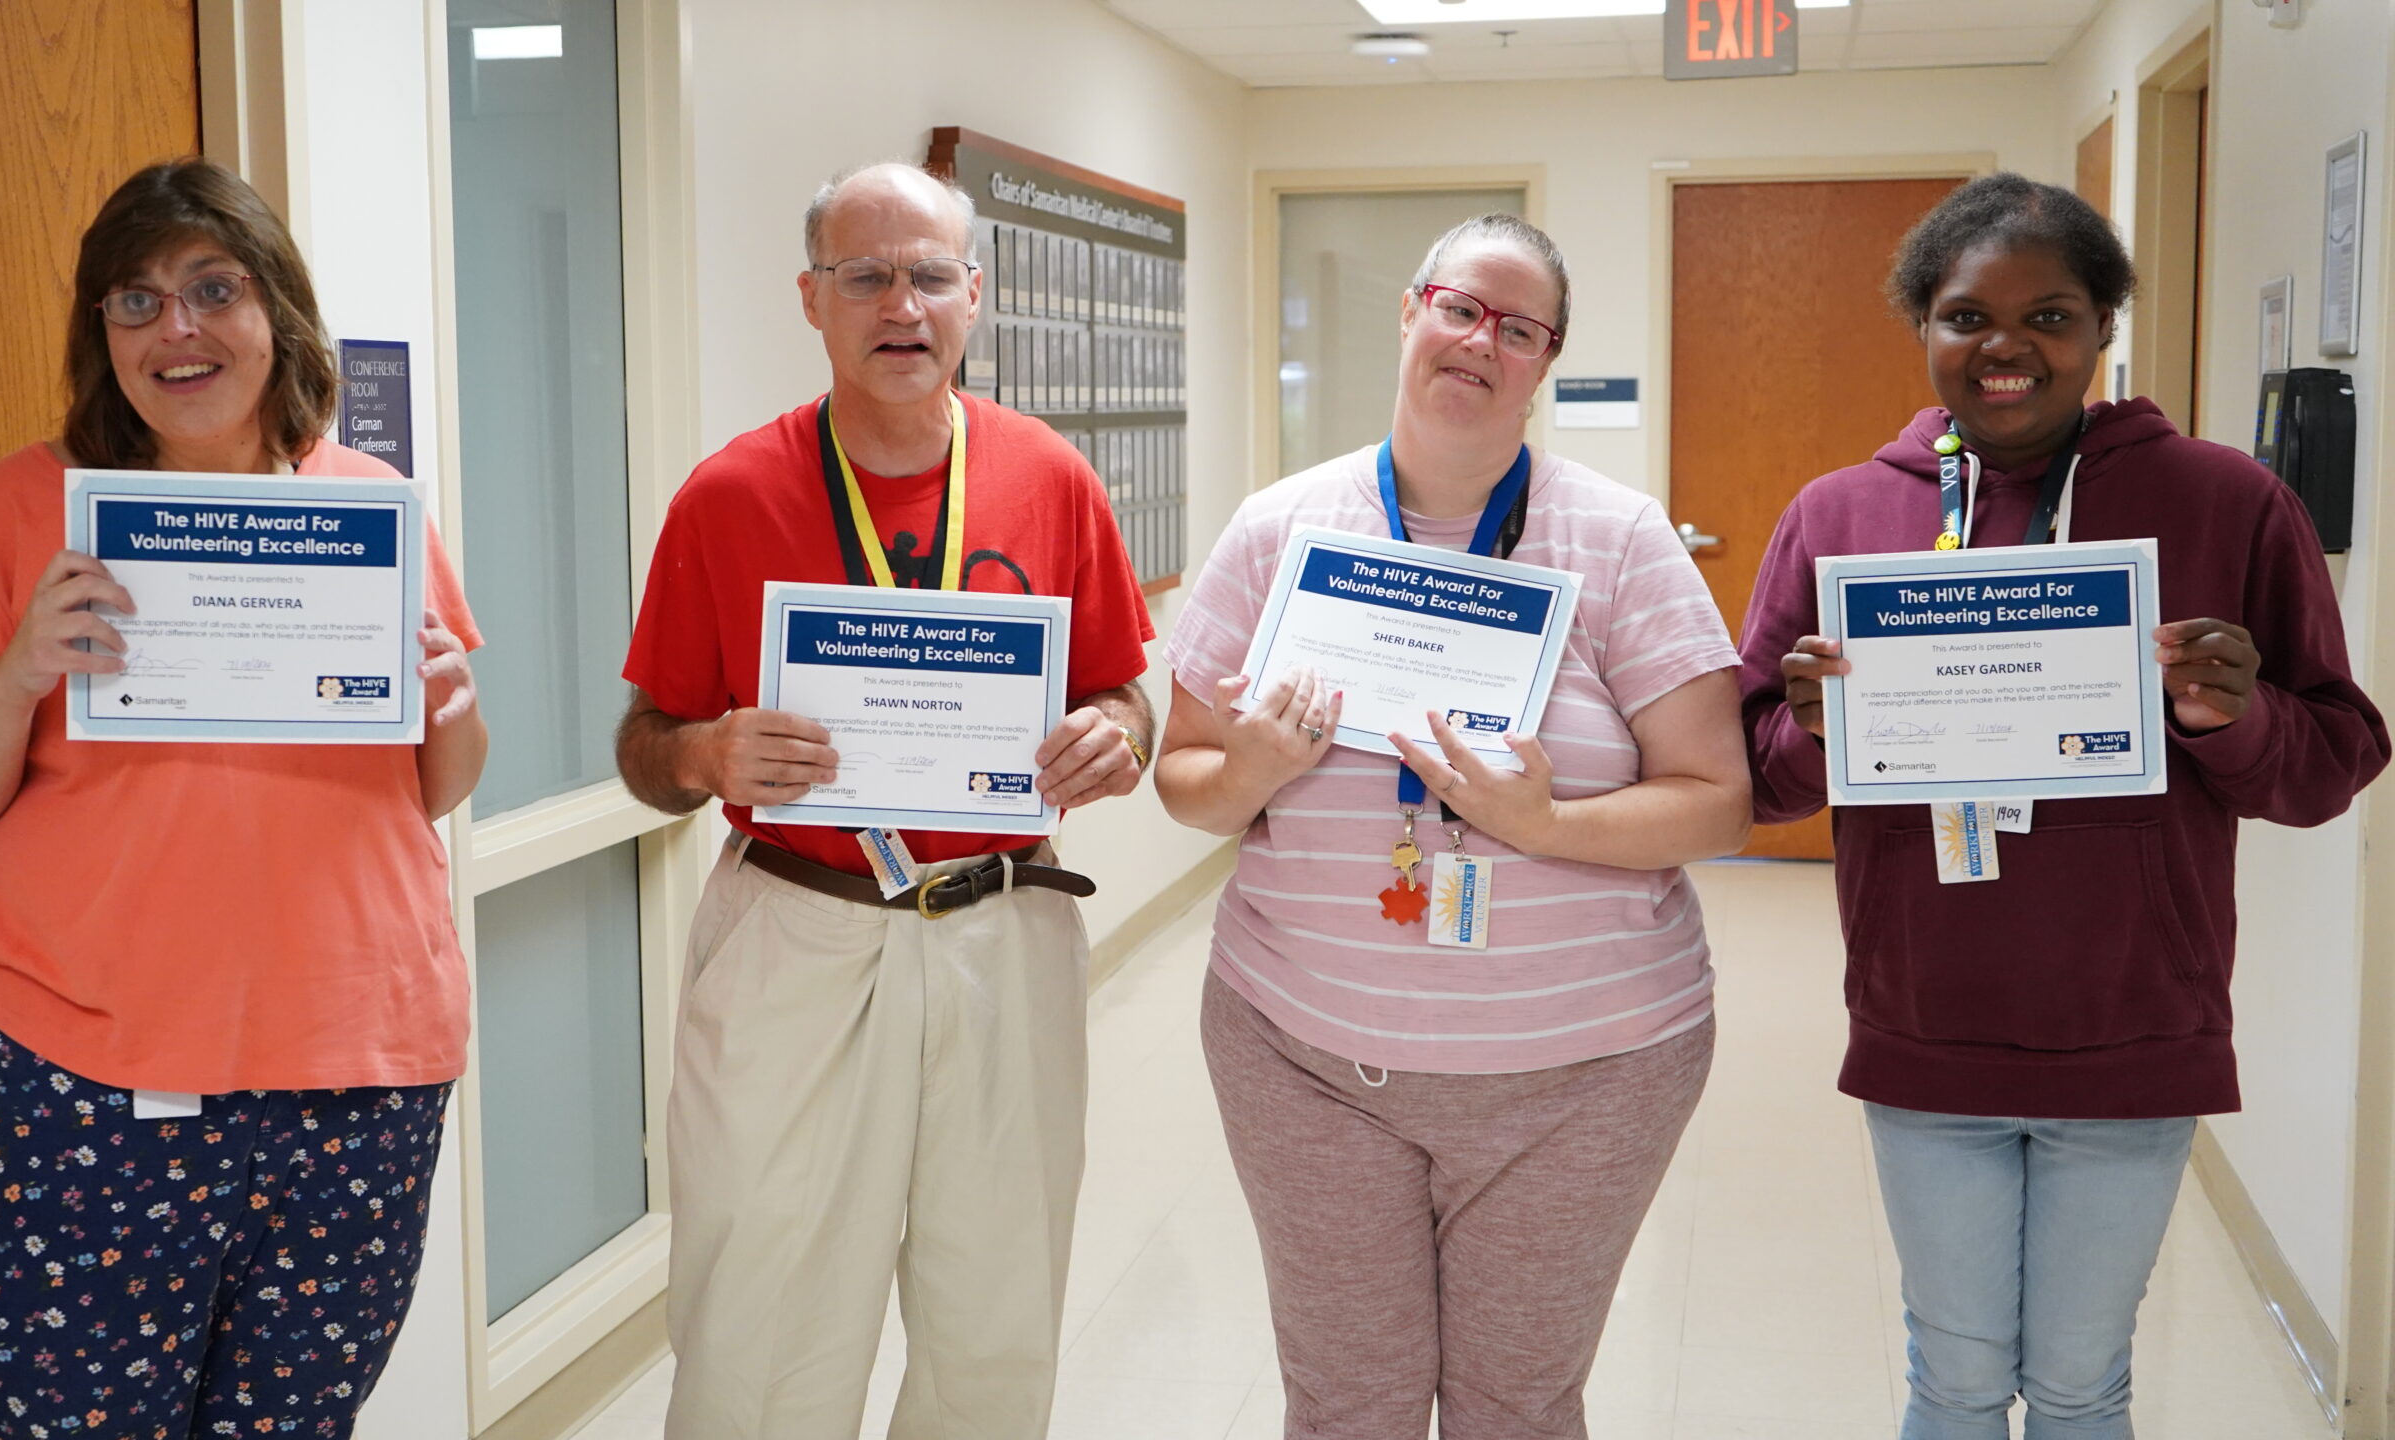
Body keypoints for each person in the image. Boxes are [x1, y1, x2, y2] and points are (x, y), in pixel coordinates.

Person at [1738, 172, 2390, 1440]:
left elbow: (2332, 761)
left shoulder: (2227, 503)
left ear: (2101, 330)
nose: (2005, 348)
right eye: (1965, 315)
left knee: (2087, 1384)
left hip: (2134, 1025)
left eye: (2048, 316)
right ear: (1921, 327)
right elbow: (1752, 773)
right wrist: (1816, 730)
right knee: (1955, 1380)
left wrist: (2233, 717)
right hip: (1929, 1020)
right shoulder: (1841, 515)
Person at [0, 157, 487, 1440]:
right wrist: (20, 671)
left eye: (213, 289)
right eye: (136, 300)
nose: (178, 329)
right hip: (86, 1070)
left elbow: (429, 791)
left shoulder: (369, 506)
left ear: (276, 309)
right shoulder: (22, 507)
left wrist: (455, 707)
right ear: (100, 335)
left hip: (353, 1067)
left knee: (291, 1423)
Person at [1155, 213, 1752, 1439]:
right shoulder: (1282, 530)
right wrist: (1255, 764)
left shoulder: (1621, 539)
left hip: (1586, 1077)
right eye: (1461, 308)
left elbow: (1716, 799)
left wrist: (1545, 823)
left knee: (1516, 1408)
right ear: (1412, 313)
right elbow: (1184, 777)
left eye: (1518, 328)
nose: (1481, 340)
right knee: (1346, 1405)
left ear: (1545, 361)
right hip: (1306, 1063)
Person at [614, 161, 1156, 1440]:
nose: (897, 305)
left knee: (995, 1317)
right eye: (864, 276)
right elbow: (643, 744)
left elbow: (1125, 692)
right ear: (812, 298)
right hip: (800, 930)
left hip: (1000, 933)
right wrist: (707, 760)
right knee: (761, 1316)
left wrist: (1113, 736)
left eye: (926, 276)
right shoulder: (729, 493)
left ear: (976, 294)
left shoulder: (1048, 475)